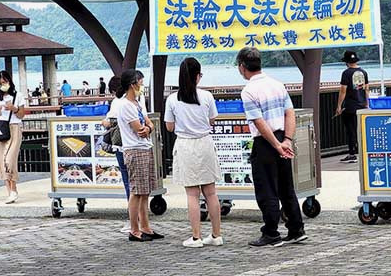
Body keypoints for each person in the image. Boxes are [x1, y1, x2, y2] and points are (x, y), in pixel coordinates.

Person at [237, 47, 307, 247]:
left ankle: (271, 233)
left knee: (266, 188)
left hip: (265, 143)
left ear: (242, 67)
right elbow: (290, 113)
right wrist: (287, 140)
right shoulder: (277, 84)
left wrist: (276, 145)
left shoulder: (248, 91)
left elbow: (259, 122)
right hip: (282, 137)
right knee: (286, 187)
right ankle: (296, 228)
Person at [164, 58, 223, 248]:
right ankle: (216, 235)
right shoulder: (206, 96)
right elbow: (212, 120)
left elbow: (170, 127)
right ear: (197, 76)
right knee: (211, 193)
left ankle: (196, 237)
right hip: (205, 143)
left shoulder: (173, 99)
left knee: (192, 195)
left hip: (185, 145)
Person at [116, 69, 163, 242]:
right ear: (132, 84)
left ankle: (145, 226)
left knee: (145, 191)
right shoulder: (125, 105)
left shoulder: (137, 103)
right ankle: (134, 229)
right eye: (140, 82)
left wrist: (148, 128)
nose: (142, 85)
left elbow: (148, 124)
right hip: (135, 150)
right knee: (136, 191)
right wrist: (148, 128)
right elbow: (139, 129)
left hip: (145, 148)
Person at [102, 75, 132, 233]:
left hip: (121, 146)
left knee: (128, 183)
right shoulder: (134, 100)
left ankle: (132, 220)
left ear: (113, 90)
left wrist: (104, 122)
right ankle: (141, 219)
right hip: (137, 146)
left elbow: (110, 121)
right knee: (137, 184)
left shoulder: (117, 102)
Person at [0, 71, 26, 204]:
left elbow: (21, 115)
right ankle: (10, 191)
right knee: (1, 160)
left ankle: (14, 189)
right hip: (0, 129)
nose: (3, 85)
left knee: (9, 160)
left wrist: (14, 108)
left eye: (5, 82)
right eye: (1, 83)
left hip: (14, 128)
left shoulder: (18, 95)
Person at [336, 50, 369, 163]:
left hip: (349, 106)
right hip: (362, 106)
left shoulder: (346, 73)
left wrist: (339, 106)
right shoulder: (363, 72)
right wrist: (367, 104)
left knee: (351, 130)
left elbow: (343, 91)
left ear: (346, 62)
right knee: (360, 130)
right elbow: (366, 89)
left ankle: (352, 153)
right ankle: (363, 152)